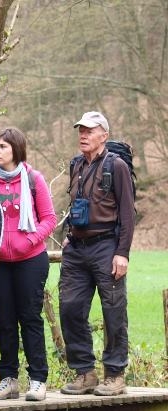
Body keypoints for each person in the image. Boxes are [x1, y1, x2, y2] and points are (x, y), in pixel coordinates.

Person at [59, 111, 135, 396]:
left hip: (107, 246)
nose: (83, 135)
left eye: (89, 130)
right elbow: (77, 205)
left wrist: (122, 252)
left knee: (113, 311)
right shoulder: (76, 164)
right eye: (80, 130)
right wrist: (69, 236)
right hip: (77, 248)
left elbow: (127, 213)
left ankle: (115, 375)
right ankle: (85, 373)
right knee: (70, 308)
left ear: (104, 134)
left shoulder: (116, 167)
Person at [0, 127, 57, 401]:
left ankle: (38, 379)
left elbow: (49, 219)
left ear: (16, 149)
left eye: (3, 146)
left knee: (30, 319)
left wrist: (28, 242)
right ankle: (9, 378)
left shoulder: (33, 179)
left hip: (30, 260)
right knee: (4, 321)